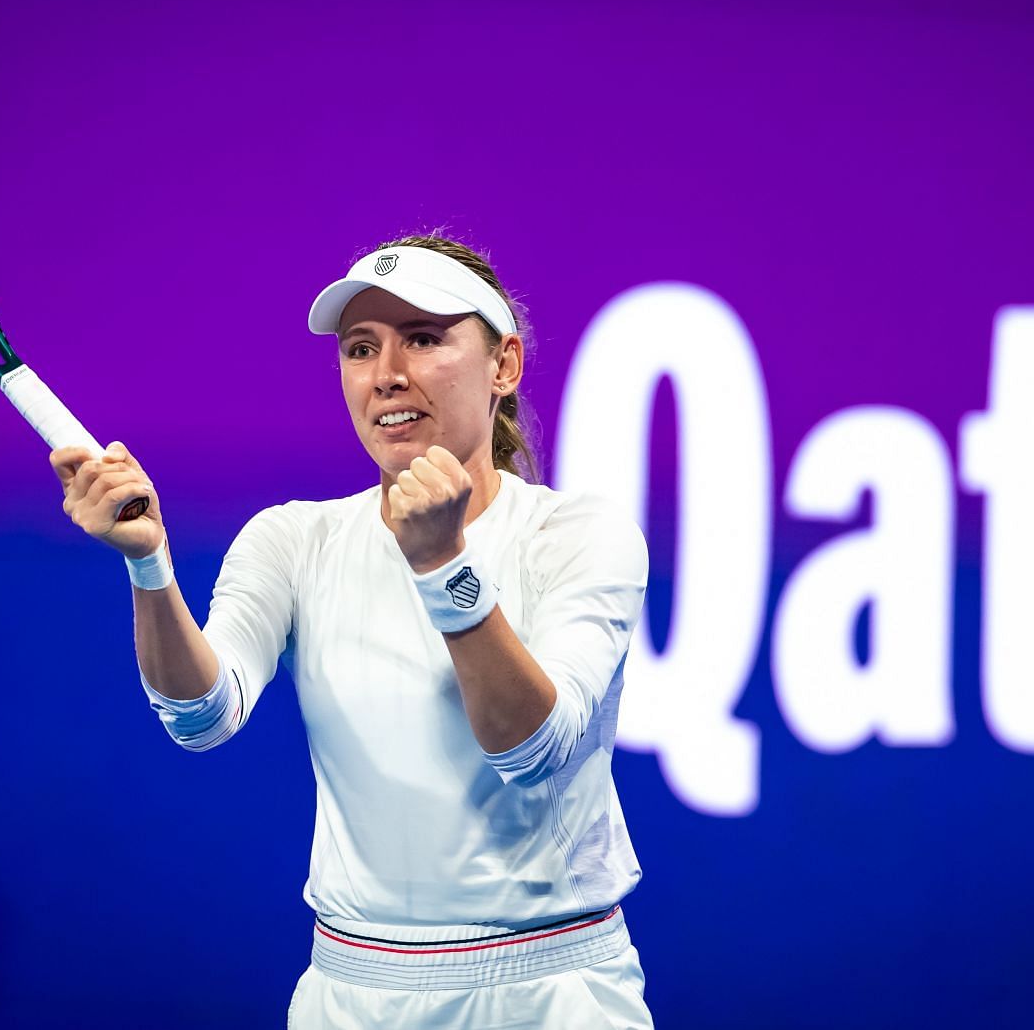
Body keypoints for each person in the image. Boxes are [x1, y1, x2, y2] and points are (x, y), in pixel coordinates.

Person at [51, 235, 654, 1028]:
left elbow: (534, 750)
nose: (387, 374)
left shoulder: (579, 535)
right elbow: (202, 715)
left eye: (425, 338)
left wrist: (441, 565)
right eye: (361, 348)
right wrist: (150, 567)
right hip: (352, 994)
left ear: (503, 366)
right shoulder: (293, 539)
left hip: (553, 994)